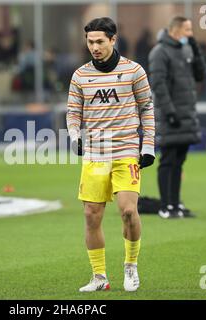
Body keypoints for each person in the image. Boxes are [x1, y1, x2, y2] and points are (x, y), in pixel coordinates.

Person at [67, 17, 155, 292]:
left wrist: (148, 145)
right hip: (95, 153)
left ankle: (131, 266)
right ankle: (99, 277)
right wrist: (74, 136)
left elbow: (147, 108)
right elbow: (73, 112)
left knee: (129, 211)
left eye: (99, 42)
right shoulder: (80, 75)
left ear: (113, 40)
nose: (94, 47)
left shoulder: (134, 71)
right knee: (92, 214)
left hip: (127, 151)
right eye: (90, 42)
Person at [148, 16, 206, 219]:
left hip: (186, 114)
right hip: (170, 116)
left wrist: (196, 48)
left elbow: (201, 74)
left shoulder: (187, 49)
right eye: (188, 30)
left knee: (179, 161)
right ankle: (166, 206)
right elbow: (158, 85)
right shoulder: (159, 52)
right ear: (175, 30)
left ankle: (176, 203)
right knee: (168, 160)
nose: (191, 34)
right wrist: (169, 112)